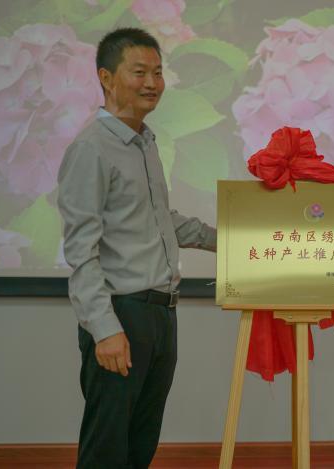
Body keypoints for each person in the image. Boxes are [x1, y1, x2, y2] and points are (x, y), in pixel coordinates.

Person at [57, 27, 217, 469]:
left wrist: (229, 239)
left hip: (160, 314)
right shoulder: (91, 149)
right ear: (106, 78)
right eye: (139, 72)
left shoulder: (144, 143)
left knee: (139, 444)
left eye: (158, 73)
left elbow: (160, 220)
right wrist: (104, 329)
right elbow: (81, 251)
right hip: (121, 315)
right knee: (107, 450)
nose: (152, 83)